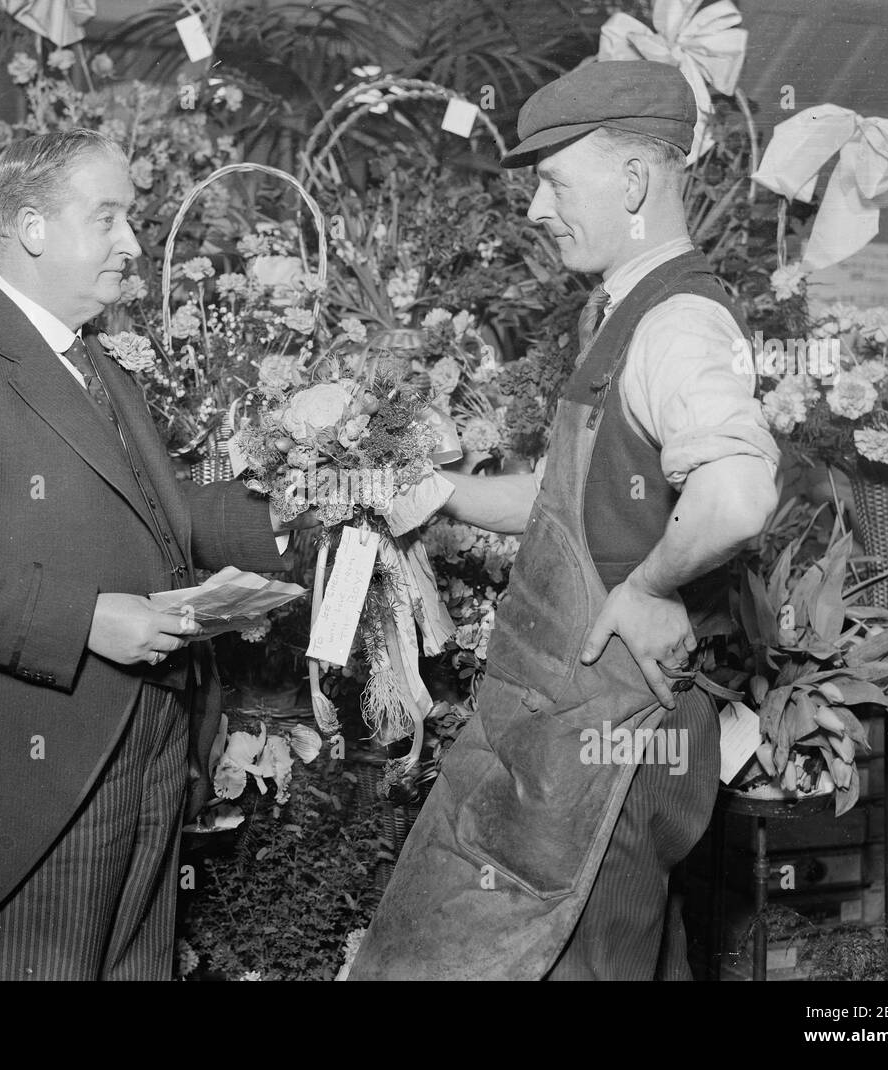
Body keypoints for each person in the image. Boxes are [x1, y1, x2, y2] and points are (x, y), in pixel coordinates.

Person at [348, 60, 780, 980]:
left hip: (619, 733)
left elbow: (738, 497)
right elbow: (567, 497)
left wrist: (653, 585)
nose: (537, 208)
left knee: (585, 962)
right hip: (576, 723)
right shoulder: (619, 314)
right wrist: (442, 493)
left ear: (632, 181)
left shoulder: (679, 325)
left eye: (553, 179)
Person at [0, 130, 293, 980]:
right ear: (30, 228)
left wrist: (295, 515)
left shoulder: (97, 364)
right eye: (110, 219)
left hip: (147, 750)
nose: (133, 244)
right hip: (35, 790)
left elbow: (162, 515)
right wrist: (90, 620)